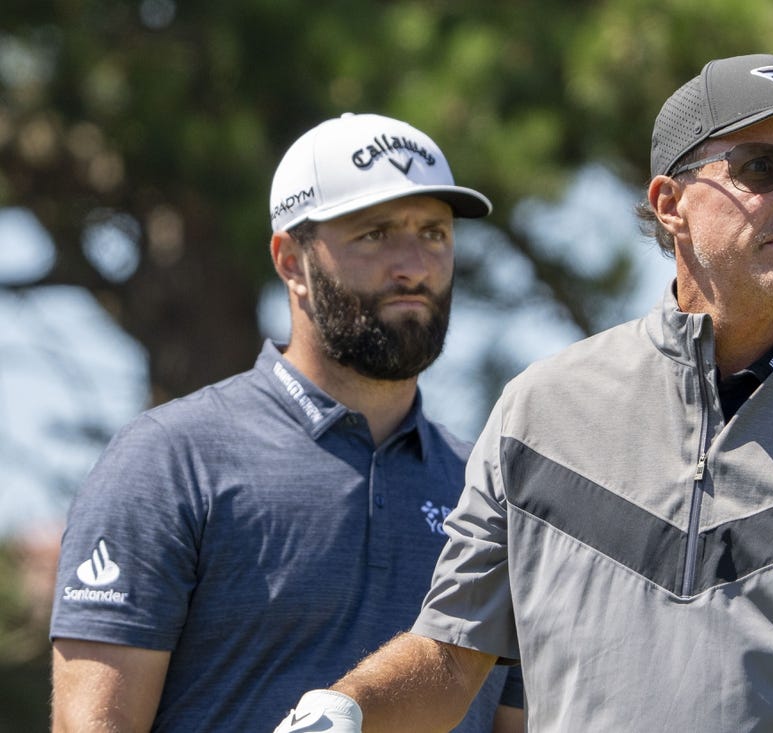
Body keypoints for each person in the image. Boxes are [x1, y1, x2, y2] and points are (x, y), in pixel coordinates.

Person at [274, 55, 773, 733]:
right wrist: (347, 708)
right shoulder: (538, 411)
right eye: (764, 168)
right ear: (670, 203)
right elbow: (449, 658)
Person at [49, 112, 524, 732]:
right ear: (290, 260)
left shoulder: (488, 490)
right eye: (375, 234)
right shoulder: (169, 461)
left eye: (433, 233)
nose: (413, 265)